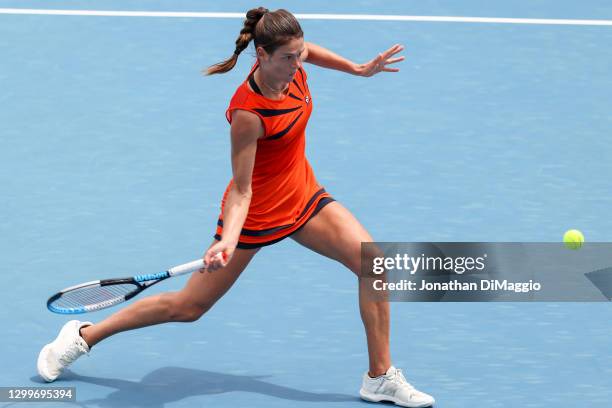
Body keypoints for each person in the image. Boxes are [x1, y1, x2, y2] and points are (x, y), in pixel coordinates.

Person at [37, 7, 435, 408]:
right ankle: (83, 336)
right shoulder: (248, 114)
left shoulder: (293, 63)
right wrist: (227, 239)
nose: (298, 63)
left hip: (302, 196)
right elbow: (242, 191)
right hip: (257, 214)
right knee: (187, 307)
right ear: (261, 55)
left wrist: (358, 68)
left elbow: (310, 51)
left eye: (299, 54)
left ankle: (380, 377)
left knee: (374, 264)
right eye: (288, 57)